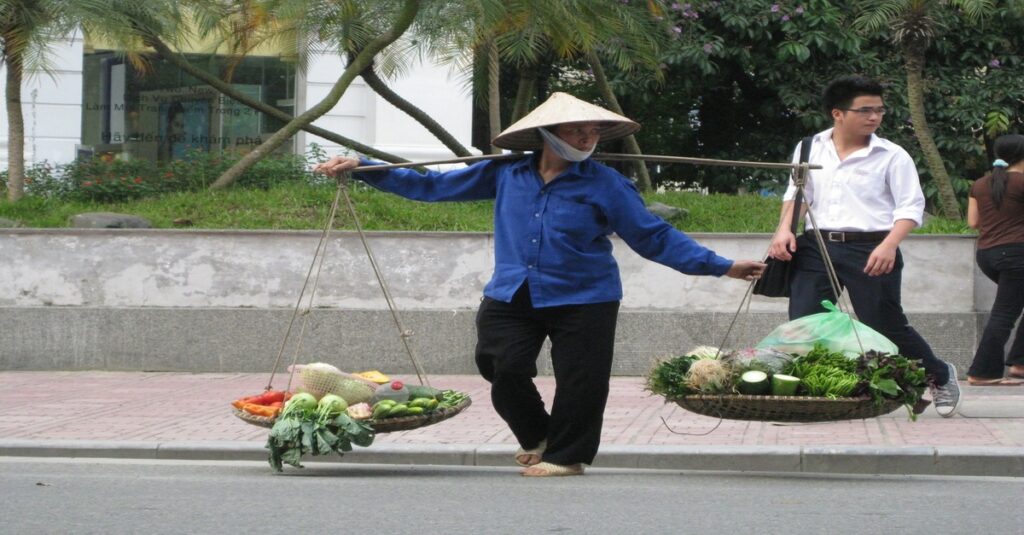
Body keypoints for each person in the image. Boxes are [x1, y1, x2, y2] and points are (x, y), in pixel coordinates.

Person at [315, 92, 766, 476]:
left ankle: (568, 456)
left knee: (581, 382)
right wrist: (365, 166)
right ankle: (539, 433)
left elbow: (652, 236)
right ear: (548, 135)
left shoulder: (607, 184)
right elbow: (431, 186)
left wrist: (722, 266)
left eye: (592, 132)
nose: (587, 139)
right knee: (500, 365)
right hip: (512, 291)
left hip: (586, 297)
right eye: (576, 131)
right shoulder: (505, 173)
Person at [768, 75, 962, 416]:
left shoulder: (892, 155)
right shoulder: (809, 148)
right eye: (865, 110)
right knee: (805, 323)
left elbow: (910, 207)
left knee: (883, 323)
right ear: (838, 113)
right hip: (817, 246)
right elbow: (798, 194)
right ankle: (813, 396)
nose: (874, 117)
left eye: (880, 110)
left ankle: (940, 375)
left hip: (872, 247)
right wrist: (784, 229)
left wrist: (889, 245)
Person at [965, 134, 1024, 385]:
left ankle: (1020, 365)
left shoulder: (980, 184)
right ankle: (982, 372)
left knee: (1008, 308)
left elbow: (973, 222)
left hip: (987, 254)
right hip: (1017, 254)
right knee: (1004, 314)